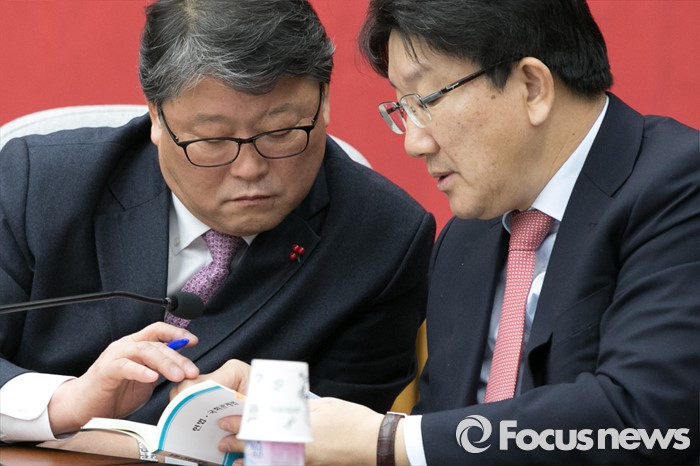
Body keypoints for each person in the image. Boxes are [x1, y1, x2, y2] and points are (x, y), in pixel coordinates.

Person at [212, 0, 700, 464]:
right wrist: (292, 417)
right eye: (402, 110)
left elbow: (647, 422)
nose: (414, 143)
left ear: (532, 87)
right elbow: (441, 434)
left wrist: (386, 439)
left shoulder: (680, 187)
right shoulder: (465, 239)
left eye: (425, 101)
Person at [0, 0, 436, 449]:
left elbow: (340, 439)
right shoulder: (38, 185)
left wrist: (271, 412)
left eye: (280, 133)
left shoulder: (384, 238)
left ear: (323, 102)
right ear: (156, 116)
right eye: (212, 140)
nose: (249, 169)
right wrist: (64, 403)